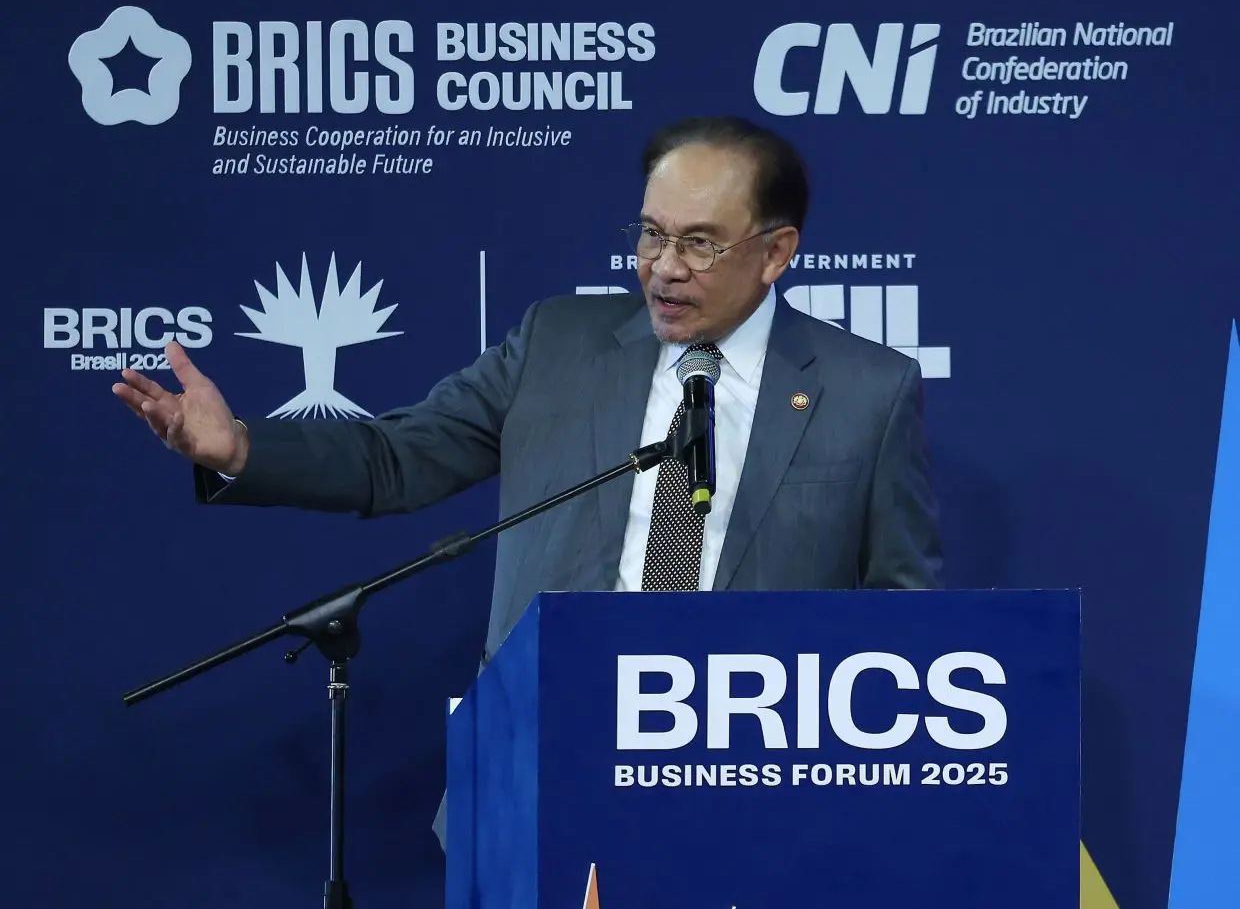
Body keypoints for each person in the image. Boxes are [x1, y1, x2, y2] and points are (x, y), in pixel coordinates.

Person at [112, 114, 943, 843]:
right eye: (651, 234)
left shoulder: (866, 389)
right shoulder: (557, 342)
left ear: (777, 251)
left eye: (699, 242)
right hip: (546, 756)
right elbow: (397, 457)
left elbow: (904, 615)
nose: (663, 268)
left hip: (753, 779)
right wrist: (239, 448)